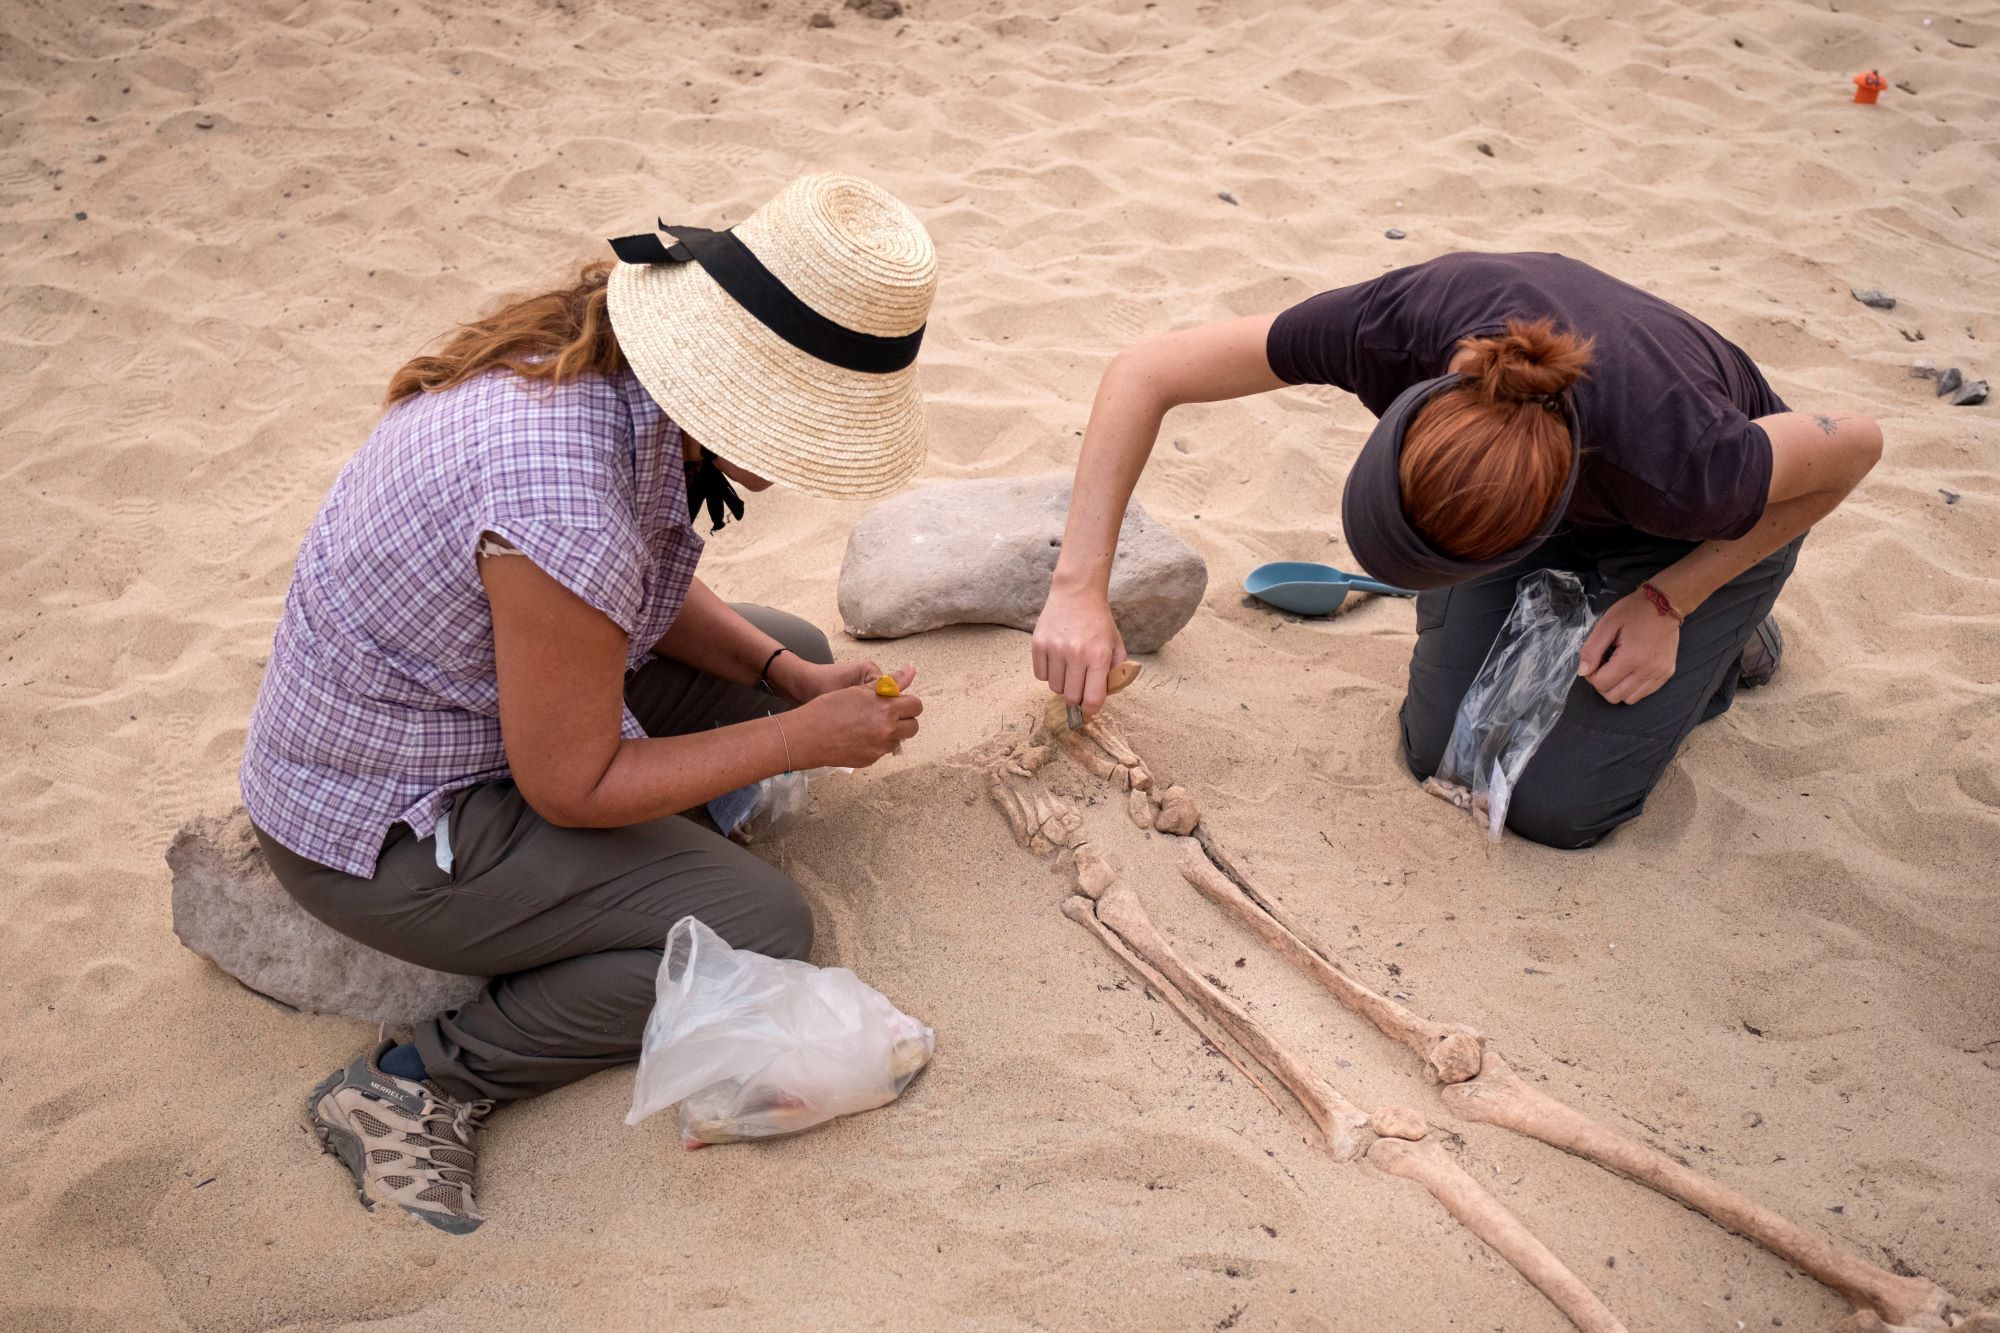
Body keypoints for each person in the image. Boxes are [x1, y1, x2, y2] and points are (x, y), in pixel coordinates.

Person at [241, 174, 935, 1232]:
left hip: (460, 720)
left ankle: (649, 861)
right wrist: (803, 736)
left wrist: (784, 686)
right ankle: (418, 1080)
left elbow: (637, 579)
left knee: (784, 647)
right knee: (761, 923)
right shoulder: (558, 495)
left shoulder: (607, 377)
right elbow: (569, 782)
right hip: (382, 824)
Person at [1032, 251, 1881, 848]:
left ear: (1526, 535)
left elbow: (1857, 448)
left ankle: (1730, 644)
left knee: (1556, 808)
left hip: (1698, 533)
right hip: (1517, 486)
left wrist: (1673, 601)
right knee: (1442, 752)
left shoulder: (1694, 465)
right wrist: (1078, 586)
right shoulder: (1396, 326)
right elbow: (1145, 370)